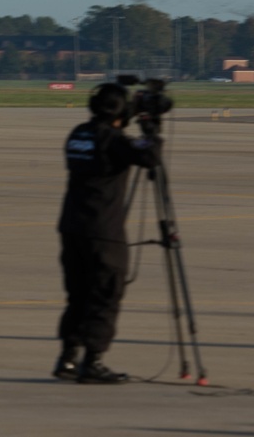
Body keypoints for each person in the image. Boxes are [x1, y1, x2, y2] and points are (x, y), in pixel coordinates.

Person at [52, 82, 159, 384]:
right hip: (102, 231)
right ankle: (93, 360)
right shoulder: (112, 140)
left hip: (72, 226)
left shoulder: (78, 134)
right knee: (105, 295)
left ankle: (68, 357)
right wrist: (150, 129)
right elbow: (150, 156)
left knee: (78, 295)